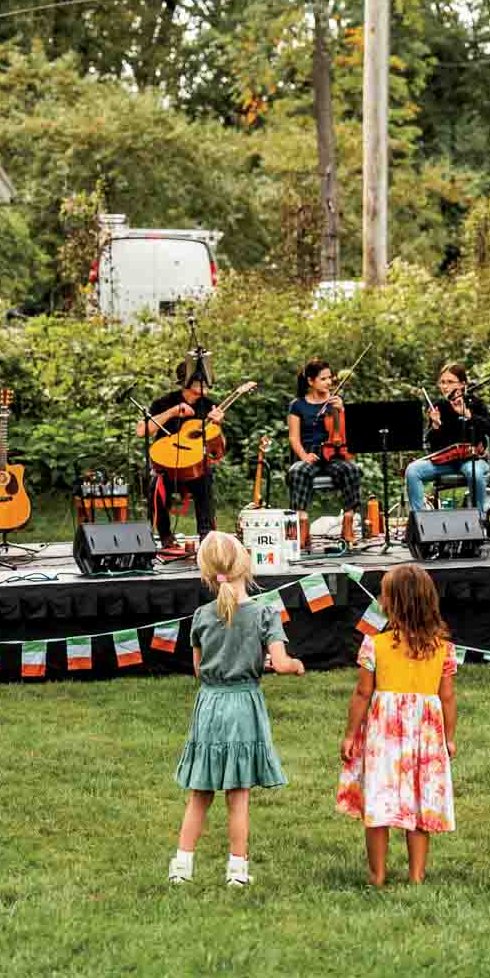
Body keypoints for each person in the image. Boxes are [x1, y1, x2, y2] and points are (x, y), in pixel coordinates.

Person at [169, 531, 304, 887]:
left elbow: (199, 669)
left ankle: (181, 867)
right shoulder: (264, 613)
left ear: (206, 573)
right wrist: (294, 665)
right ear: (246, 565)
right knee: (238, 793)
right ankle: (237, 871)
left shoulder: (200, 616)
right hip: (244, 705)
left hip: (210, 705)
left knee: (200, 791)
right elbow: (281, 661)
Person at [337, 564, 457, 886]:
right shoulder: (443, 648)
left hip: (383, 736)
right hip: (427, 735)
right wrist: (450, 739)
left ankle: (377, 875)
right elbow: (447, 698)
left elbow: (363, 692)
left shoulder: (374, 644)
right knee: (419, 803)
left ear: (395, 603)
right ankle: (417, 875)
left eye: (384, 595)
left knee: (378, 801)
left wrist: (351, 734)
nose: (379, 599)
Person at [137, 361, 225, 550]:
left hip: (194, 466)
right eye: (202, 380)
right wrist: (173, 412)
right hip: (166, 466)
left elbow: (219, 448)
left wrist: (218, 426)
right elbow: (142, 430)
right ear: (188, 382)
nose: (207, 383)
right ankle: (166, 537)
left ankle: (206, 538)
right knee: (154, 486)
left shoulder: (209, 406)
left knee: (206, 477)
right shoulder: (164, 402)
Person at [405, 362, 490, 516]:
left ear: (462, 384)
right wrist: (435, 425)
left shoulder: (474, 404)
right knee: (412, 470)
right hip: (447, 463)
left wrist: (467, 414)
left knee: (473, 473)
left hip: (472, 461)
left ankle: (478, 521)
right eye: (442, 382)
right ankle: (420, 522)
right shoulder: (439, 407)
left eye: (450, 382)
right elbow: (435, 448)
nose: (445, 387)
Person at [287, 359, 363, 543]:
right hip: (310, 455)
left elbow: (348, 435)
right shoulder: (297, 405)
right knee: (297, 472)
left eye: (330, 378)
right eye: (323, 379)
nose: (329, 383)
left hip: (334, 455)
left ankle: (347, 524)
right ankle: (303, 528)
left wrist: (342, 410)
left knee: (352, 470)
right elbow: (294, 437)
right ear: (311, 381)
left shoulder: (335, 402)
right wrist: (304, 456)